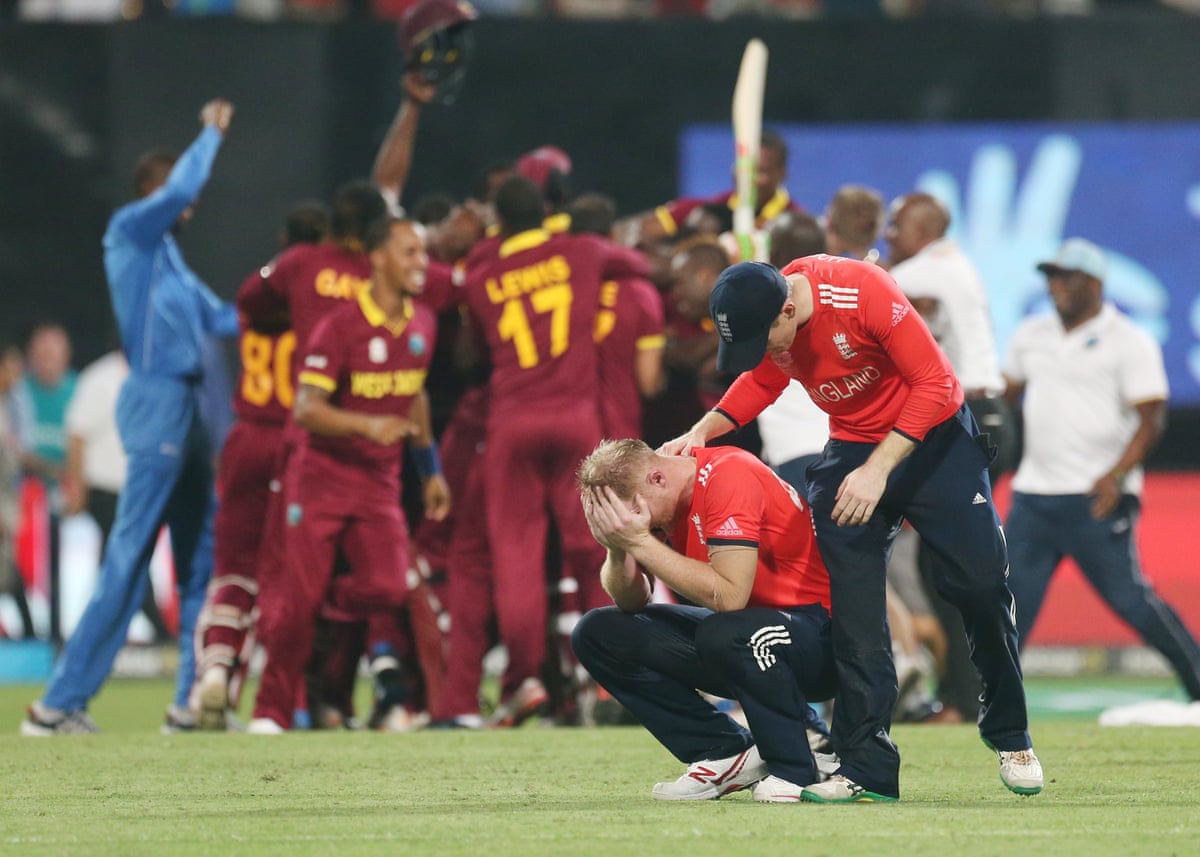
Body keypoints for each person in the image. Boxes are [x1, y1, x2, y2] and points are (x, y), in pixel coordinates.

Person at [662, 256, 1041, 801]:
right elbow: (763, 380)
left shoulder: (861, 292)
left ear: (787, 310)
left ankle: (1009, 731)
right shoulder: (775, 316)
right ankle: (866, 766)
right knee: (854, 608)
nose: (765, 354)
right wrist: (702, 431)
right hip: (853, 449)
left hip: (937, 443)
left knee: (981, 586)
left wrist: (879, 470)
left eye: (765, 339)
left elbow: (935, 384)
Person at [22, 99, 239, 736]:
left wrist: (289, 287)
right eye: (177, 192)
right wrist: (210, 133)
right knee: (128, 558)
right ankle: (57, 703)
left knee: (203, 559)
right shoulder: (129, 235)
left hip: (191, 411)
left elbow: (224, 318)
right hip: (155, 404)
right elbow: (189, 185)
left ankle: (190, 702)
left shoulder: (172, 261)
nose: (190, 203)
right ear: (157, 192)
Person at [249, 217, 447, 734]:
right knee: (296, 604)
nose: (421, 264)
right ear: (378, 257)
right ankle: (269, 712)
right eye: (409, 253)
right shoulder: (338, 327)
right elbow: (306, 409)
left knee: (385, 588)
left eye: (423, 254)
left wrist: (430, 469)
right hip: (322, 478)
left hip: (379, 484)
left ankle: (324, 607)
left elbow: (416, 394)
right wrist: (367, 423)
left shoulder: (423, 322)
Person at [462, 175, 647, 726]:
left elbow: (470, 349)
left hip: (512, 421)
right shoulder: (582, 252)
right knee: (596, 548)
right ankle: (609, 679)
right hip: (575, 420)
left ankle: (524, 683)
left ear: (498, 221)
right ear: (548, 212)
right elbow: (637, 266)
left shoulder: (481, 275)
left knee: (516, 555)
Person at [572, 438, 836, 802]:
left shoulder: (728, 475)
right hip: (749, 637)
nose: (635, 523)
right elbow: (632, 601)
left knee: (724, 631)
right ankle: (725, 750)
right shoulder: (666, 490)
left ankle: (796, 767)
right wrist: (618, 547)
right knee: (599, 633)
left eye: (632, 512)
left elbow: (729, 596)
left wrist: (640, 543)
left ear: (657, 478)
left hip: (819, 637)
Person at [1003, 238, 1200, 700]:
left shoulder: (1129, 340)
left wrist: (1116, 474)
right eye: (1050, 277)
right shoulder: (1032, 333)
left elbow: (1152, 416)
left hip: (1096, 496)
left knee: (1133, 602)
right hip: (1035, 496)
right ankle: (988, 704)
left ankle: (1198, 683)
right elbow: (1004, 398)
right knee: (1010, 609)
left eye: (1065, 277)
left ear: (1094, 282)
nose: (1055, 286)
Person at [885, 191, 1011, 723]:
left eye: (896, 227)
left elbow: (880, 296)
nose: (889, 236)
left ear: (923, 229)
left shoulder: (924, 272)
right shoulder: (955, 266)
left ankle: (965, 700)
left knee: (951, 570)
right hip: (984, 413)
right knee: (950, 567)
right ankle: (964, 695)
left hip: (970, 418)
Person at [62, 348, 174, 644]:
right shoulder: (100, 377)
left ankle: (97, 634)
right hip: (105, 489)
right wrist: (78, 488)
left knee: (118, 563)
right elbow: (77, 434)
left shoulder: (157, 375)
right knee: (130, 560)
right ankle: (160, 632)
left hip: (138, 491)